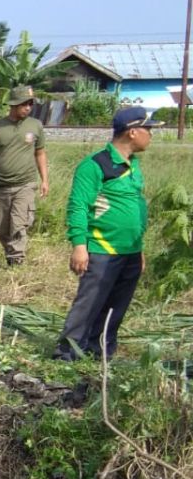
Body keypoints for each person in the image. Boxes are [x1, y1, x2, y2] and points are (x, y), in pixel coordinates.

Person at [53, 107, 159, 362]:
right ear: (132, 132)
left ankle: (100, 348)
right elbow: (78, 206)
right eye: (149, 129)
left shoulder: (132, 165)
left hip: (130, 250)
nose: (152, 135)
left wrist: (139, 248)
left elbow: (134, 208)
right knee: (89, 304)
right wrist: (80, 245)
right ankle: (67, 352)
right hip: (102, 249)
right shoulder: (95, 165)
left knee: (116, 306)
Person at [0, 86, 48, 266]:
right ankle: (11, 256)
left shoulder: (35, 125)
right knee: (4, 228)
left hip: (26, 184)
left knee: (18, 221)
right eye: (24, 104)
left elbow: (40, 153)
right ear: (14, 105)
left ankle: (17, 261)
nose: (28, 108)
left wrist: (45, 180)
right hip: (2, 186)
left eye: (30, 104)